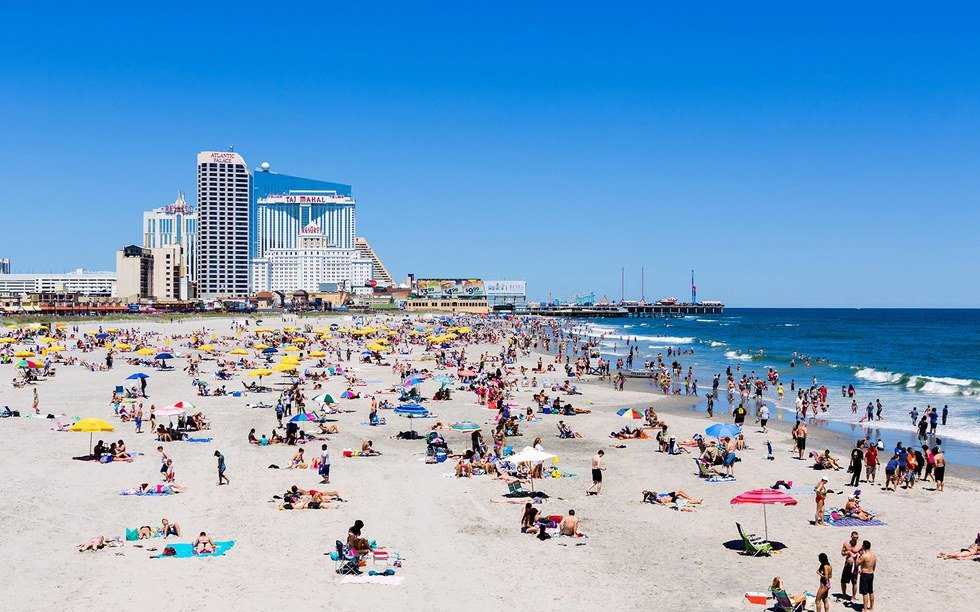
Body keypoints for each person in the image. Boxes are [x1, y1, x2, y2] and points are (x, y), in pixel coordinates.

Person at [840, 531, 861, 601]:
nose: (856, 539)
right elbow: (842, 553)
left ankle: (853, 597)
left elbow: (863, 556)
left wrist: (858, 555)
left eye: (857, 537)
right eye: (854, 537)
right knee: (843, 581)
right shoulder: (846, 544)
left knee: (854, 582)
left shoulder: (859, 546)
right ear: (851, 536)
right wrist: (848, 552)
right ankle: (844, 595)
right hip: (847, 565)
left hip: (855, 566)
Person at [857, 540, 876, 611]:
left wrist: (859, 556)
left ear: (864, 546)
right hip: (871, 574)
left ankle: (865, 609)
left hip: (865, 575)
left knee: (865, 593)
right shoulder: (873, 555)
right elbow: (874, 566)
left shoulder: (864, 556)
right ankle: (871, 607)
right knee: (871, 591)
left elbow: (857, 564)